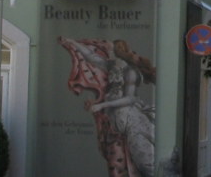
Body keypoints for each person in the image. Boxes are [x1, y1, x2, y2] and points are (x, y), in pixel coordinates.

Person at [60, 37, 157, 176]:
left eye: (111, 49)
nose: (108, 52)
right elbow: (89, 56)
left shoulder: (131, 72)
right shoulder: (111, 65)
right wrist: (71, 42)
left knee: (143, 163)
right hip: (115, 119)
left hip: (131, 120)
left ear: (118, 51)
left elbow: (129, 99)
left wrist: (102, 105)